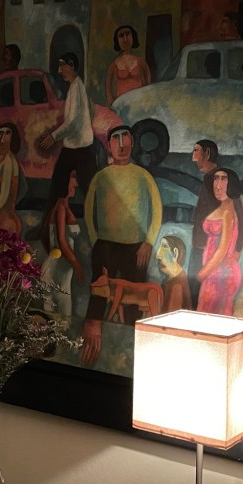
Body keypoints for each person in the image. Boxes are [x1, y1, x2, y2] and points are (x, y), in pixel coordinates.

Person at [81, 125, 162, 365]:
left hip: (136, 249)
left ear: (132, 142)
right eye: (116, 139)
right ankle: (91, 349)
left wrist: (149, 242)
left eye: (125, 138)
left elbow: (157, 211)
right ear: (109, 145)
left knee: (133, 301)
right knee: (98, 295)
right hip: (105, 246)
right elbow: (88, 211)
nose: (122, 144)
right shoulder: (101, 176)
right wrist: (96, 241)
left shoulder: (143, 175)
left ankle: (132, 353)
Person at [40, 53, 97, 226]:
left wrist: (53, 137)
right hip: (74, 147)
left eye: (62, 65)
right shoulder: (76, 87)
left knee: (90, 192)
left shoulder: (77, 88)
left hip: (81, 149)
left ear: (71, 65)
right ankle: (46, 227)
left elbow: (72, 122)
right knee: (58, 189)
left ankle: (100, 228)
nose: (59, 70)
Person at [189, 139, 243, 304]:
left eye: (196, 150)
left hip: (211, 253)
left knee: (201, 297)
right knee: (196, 297)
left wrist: (238, 249)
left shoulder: (223, 182)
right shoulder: (209, 179)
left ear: (207, 153)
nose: (193, 157)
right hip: (201, 247)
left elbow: (239, 215)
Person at [196, 167, 243, 315]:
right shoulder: (224, 210)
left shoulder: (228, 213)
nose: (218, 185)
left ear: (231, 185)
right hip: (215, 272)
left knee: (210, 315)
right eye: (216, 179)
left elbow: (223, 249)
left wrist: (204, 272)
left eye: (223, 179)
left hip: (220, 273)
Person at [40, 170, 84, 316]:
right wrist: (77, 264)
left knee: (60, 314)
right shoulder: (60, 207)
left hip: (60, 266)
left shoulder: (63, 206)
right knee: (61, 314)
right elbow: (61, 240)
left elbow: (47, 238)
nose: (76, 184)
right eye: (73, 177)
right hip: (57, 268)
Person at [105, 24, 151, 103]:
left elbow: (148, 84)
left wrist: (146, 100)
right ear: (117, 40)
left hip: (139, 103)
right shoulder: (113, 65)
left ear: (133, 37)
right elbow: (108, 90)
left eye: (128, 34)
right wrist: (113, 106)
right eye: (121, 36)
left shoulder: (141, 61)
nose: (125, 39)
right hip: (122, 105)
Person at [155, 234, 192, 312]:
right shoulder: (174, 280)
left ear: (175, 254)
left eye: (164, 246)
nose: (158, 255)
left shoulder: (177, 287)